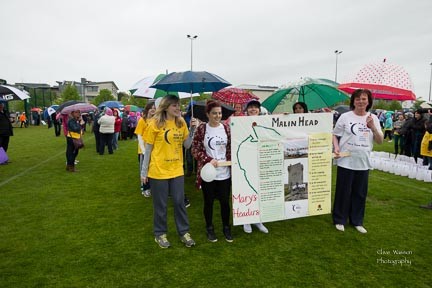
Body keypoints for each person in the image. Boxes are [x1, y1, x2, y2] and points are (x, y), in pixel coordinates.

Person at [140, 95, 198, 248]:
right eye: (175, 106)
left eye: (179, 105)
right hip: (158, 171)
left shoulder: (181, 123)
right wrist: (143, 172)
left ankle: (184, 232)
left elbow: (187, 145)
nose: (178, 108)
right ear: (166, 107)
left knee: (179, 202)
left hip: (177, 170)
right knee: (161, 205)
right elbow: (148, 149)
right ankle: (160, 234)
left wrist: (192, 130)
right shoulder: (154, 124)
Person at [332, 89, 383, 234]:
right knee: (343, 191)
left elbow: (379, 141)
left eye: (364, 99)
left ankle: (357, 221)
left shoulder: (373, 118)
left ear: (369, 101)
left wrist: (372, 126)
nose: (361, 101)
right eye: (358, 99)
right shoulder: (345, 117)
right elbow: (335, 135)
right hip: (346, 160)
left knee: (360, 193)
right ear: (353, 101)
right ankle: (339, 219)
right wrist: (336, 148)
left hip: (363, 161)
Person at [192, 100, 233, 243]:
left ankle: (226, 228)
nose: (217, 116)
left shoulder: (227, 128)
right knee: (208, 202)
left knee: (224, 202)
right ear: (208, 114)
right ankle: (209, 228)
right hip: (208, 173)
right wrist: (208, 159)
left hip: (225, 173)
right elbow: (194, 149)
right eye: (214, 113)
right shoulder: (202, 129)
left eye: (220, 113)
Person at [242, 99, 269, 234]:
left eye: (256, 107)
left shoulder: (265, 122)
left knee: (259, 191)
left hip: (262, 160)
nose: (253, 109)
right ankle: (246, 219)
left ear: (259, 110)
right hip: (246, 160)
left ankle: (258, 219)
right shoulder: (240, 122)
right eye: (251, 107)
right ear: (246, 110)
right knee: (248, 189)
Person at [135, 102, 156, 197]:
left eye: (154, 108)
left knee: (151, 169)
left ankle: (151, 187)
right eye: (151, 108)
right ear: (147, 109)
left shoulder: (156, 120)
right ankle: (144, 188)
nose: (153, 110)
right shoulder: (142, 120)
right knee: (144, 170)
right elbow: (139, 135)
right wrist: (143, 150)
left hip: (153, 149)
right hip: (143, 150)